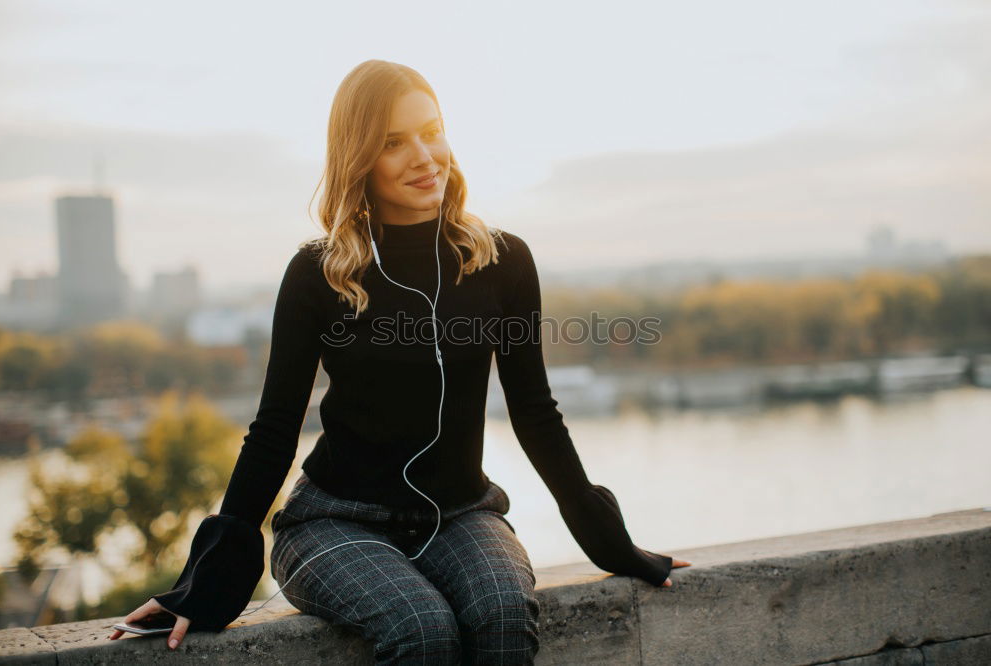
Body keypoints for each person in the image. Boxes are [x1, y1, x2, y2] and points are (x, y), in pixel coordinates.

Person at [109, 59, 691, 664]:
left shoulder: (502, 261)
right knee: (420, 628)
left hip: (461, 515)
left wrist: (612, 542)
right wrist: (206, 583)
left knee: (504, 614)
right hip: (332, 524)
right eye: (393, 142)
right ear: (359, 157)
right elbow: (275, 428)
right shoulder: (319, 272)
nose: (424, 155)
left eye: (431, 131)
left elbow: (536, 412)